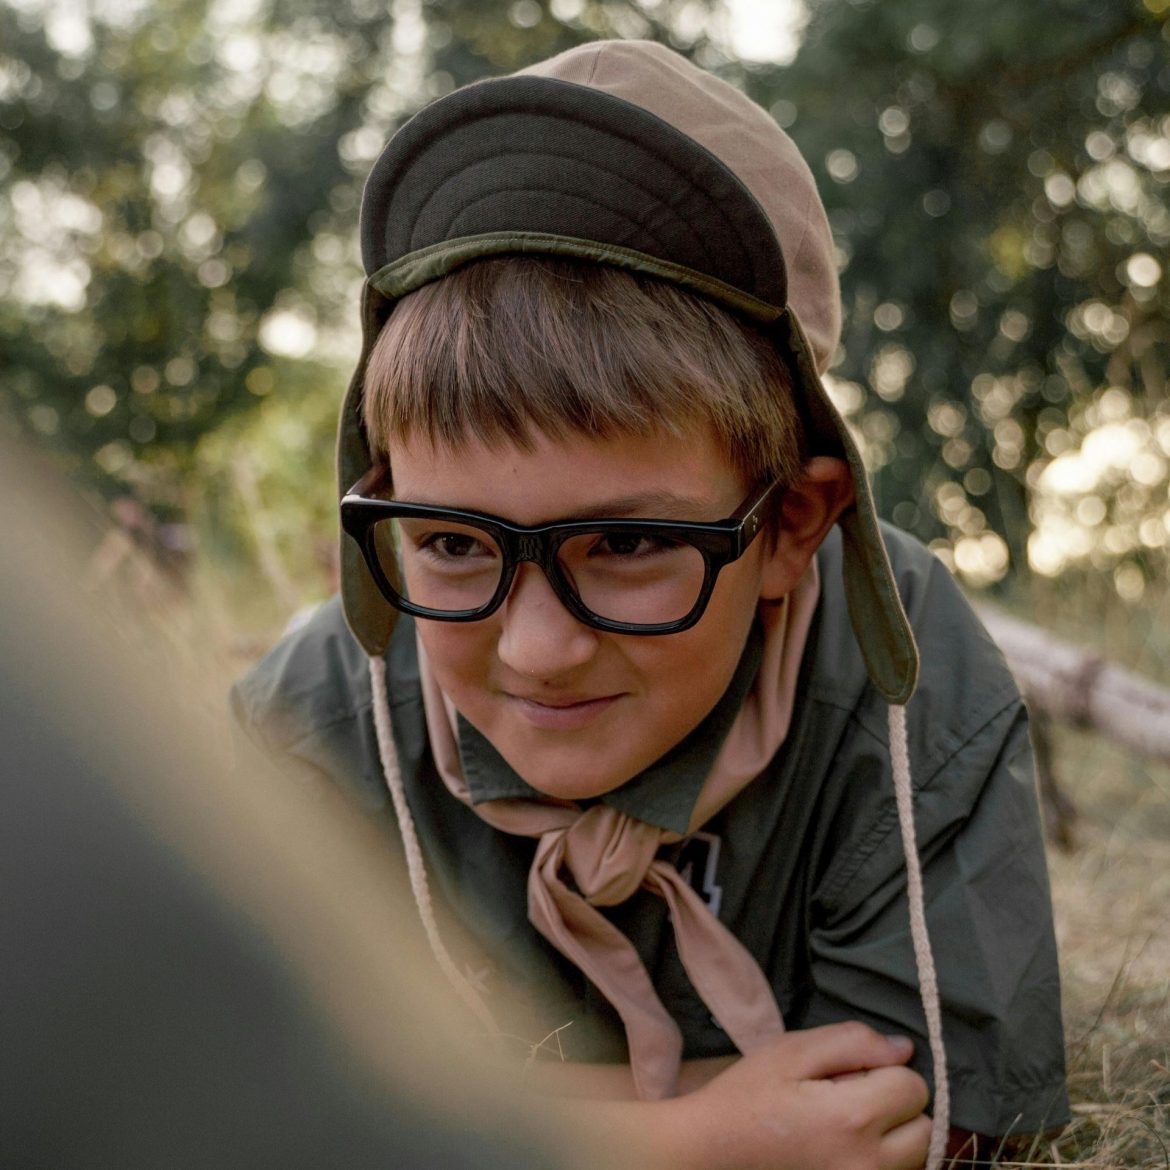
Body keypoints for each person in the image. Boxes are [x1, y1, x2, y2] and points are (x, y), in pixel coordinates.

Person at [233, 39, 1068, 1169]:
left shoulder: (909, 682)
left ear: (793, 527)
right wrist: (695, 1137)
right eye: (448, 542)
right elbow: (217, 1095)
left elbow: (927, 1120)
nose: (536, 649)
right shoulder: (315, 724)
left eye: (628, 542)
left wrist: (426, 1105)